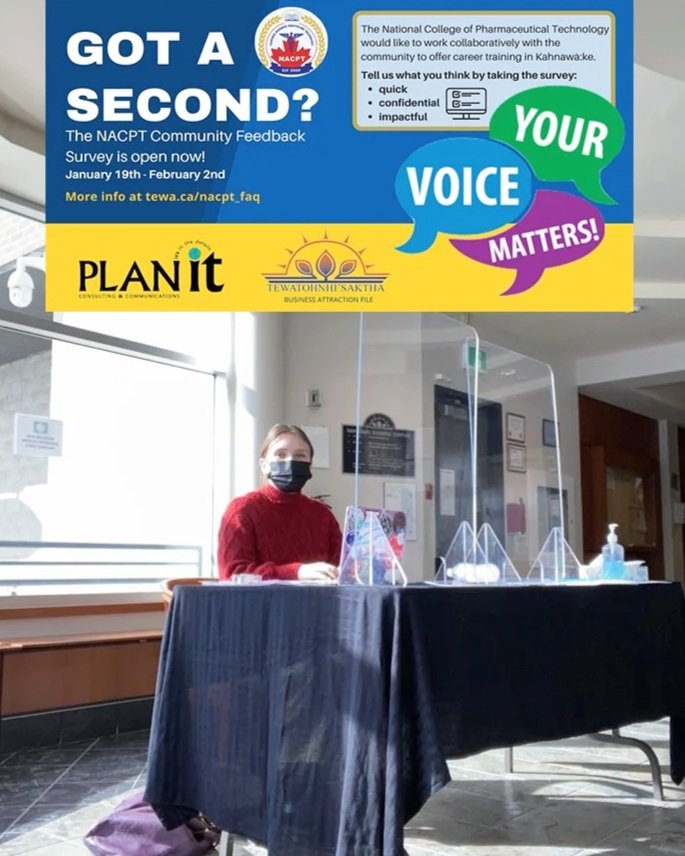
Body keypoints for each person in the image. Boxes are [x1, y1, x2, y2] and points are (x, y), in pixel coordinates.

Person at [218, 424, 341, 581]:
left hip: (317, 603)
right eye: (280, 455)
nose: (290, 461)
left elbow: (342, 568)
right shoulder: (242, 510)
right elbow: (233, 574)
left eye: (300, 456)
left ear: (310, 465)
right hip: (260, 605)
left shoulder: (323, 515)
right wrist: (296, 573)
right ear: (264, 465)